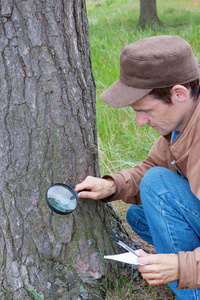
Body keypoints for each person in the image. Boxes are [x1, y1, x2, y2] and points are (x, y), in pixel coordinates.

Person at [75, 35, 200, 299]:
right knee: (139, 217)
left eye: (146, 111)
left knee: (157, 186)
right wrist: (113, 185)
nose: (140, 122)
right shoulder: (184, 119)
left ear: (179, 93)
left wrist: (182, 266)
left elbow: (157, 182)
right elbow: (155, 165)